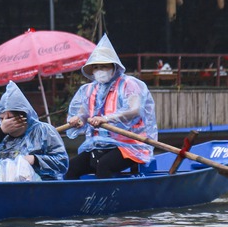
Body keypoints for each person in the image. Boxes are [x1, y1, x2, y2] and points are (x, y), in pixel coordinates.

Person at [64, 34, 158, 179]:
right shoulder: (89, 90)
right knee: (71, 168)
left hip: (130, 144)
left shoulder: (129, 84)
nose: (100, 70)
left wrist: (106, 119)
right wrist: (77, 120)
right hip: (99, 144)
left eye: (104, 66)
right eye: (96, 67)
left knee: (104, 165)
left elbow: (134, 110)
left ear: (113, 67)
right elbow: (83, 114)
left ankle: (105, 200)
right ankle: (74, 200)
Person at [0, 81, 68, 181]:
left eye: (9, 118)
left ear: (22, 117)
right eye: (1, 118)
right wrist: (0, 133)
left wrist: (35, 160)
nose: (4, 122)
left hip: (37, 189)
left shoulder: (44, 131)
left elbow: (62, 163)